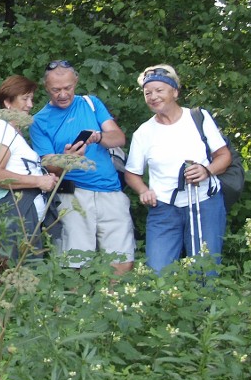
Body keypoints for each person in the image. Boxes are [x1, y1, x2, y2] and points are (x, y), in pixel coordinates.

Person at [29, 60, 135, 275]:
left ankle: (115, 305)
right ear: (45, 87)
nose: (62, 94)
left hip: (111, 191)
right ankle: (74, 307)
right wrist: (66, 159)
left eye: (67, 88)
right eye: (55, 90)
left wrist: (98, 137)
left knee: (122, 260)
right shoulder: (39, 121)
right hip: (73, 196)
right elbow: (47, 165)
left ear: (75, 82)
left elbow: (118, 138)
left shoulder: (91, 103)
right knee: (74, 264)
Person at [124, 65, 230, 273]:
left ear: (175, 91)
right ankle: (165, 304)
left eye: (159, 90)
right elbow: (131, 173)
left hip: (205, 203)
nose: (153, 96)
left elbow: (224, 156)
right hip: (163, 209)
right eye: (148, 93)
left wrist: (206, 170)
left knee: (205, 270)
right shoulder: (143, 132)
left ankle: (206, 306)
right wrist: (143, 191)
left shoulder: (198, 118)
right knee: (158, 270)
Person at [0, 75, 60, 263]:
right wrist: (39, 181)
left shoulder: (15, 132)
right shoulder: (0, 129)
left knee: (28, 274)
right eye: (25, 98)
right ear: (7, 102)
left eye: (31, 98)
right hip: (12, 214)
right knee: (18, 274)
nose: (30, 104)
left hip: (23, 214)